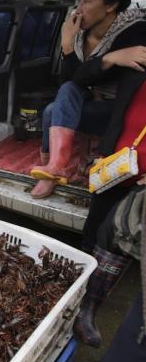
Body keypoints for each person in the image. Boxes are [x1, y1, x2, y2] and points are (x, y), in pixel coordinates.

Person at [30, 0, 146, 199]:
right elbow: (72, 82)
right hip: (89, 100)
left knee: (52, 112)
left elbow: (115, 93)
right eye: (79, 1)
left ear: (111, 5)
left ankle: (53, 170)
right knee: (57, 102)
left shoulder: (134, 33)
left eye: (87, 1)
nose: (78, 8)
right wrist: (68, 46)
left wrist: (106, 152)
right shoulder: (78, 33)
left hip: (117, 112)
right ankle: (53, 168)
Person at [74, 70, 146, 347]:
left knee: (119, 239)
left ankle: (89, 309)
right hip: (115, 171)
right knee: (94, 233)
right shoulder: (135, 73)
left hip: (141, 188)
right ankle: (79, 300)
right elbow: (117, 117)